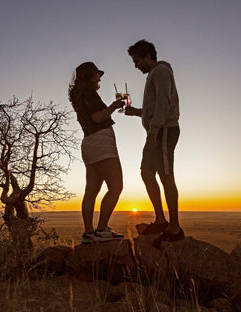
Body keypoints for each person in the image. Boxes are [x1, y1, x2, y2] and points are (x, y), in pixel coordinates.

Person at [125, 40, 184, 247]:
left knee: (166, 175)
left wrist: (154, 131)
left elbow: (163, 103)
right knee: (147, 172)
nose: (135, 65)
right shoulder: (154, 74)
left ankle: (174, 227)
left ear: (148, 55)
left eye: (137, 60)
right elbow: (154, 107)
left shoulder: (160, 71)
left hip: (164, 131)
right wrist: (137, 113)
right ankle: (160, 220)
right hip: (157, 130)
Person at [68, 62, 125, 244]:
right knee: (116, 187)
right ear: (90, 76)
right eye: (97, 75)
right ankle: (101, 230)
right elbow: (98, 117)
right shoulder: (89, 94)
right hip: (101, 143)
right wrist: (114, 106)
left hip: (89, 144)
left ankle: (89, 233)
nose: (99, 78)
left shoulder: (79, 96)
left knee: (91, 190)